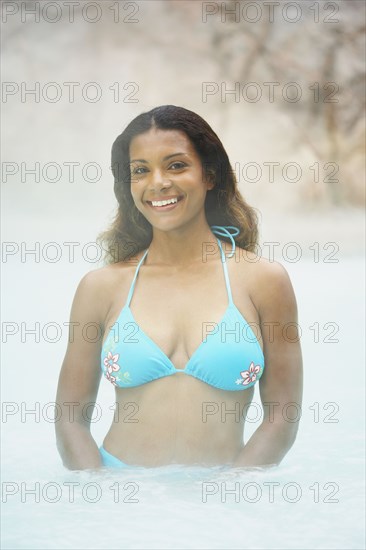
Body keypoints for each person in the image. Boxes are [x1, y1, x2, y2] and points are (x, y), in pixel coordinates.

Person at [55, 105, 303, 470]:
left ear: (210, 174)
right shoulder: (101, 287)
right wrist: (101, 499)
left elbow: (283, 414)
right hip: (119, 499)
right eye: (141, 170)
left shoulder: (263, 281)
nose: (158, 183)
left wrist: (231, 494)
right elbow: (70, 418)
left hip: (224, 499)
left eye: (176, 165)